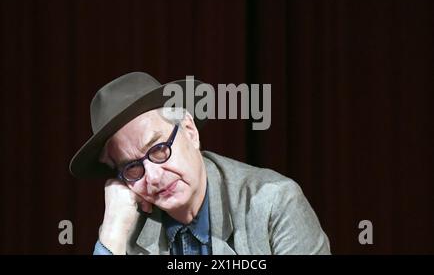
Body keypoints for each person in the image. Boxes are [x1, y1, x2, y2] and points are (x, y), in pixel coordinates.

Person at [69, 72, 331, 255]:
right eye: (133, 167)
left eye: (159, 150)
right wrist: (113, 230)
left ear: (189, 130)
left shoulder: (274, 202)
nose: (154, 177)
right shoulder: (127, 228)